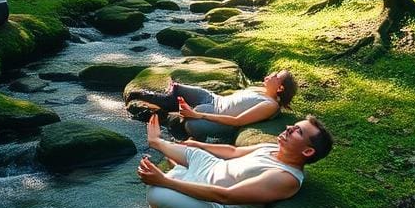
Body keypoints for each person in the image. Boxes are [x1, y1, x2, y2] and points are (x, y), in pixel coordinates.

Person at [137, 113, 333, 208]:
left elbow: (225, 196)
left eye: (297, 131)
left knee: (156, 194)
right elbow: (233, 152)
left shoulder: (285, 177)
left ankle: (178, 177)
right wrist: (200, 145)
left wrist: (164, 181)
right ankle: (156, 142)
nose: (289, 128)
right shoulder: (272, 147)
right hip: (213, 170)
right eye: (293, 125)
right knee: (195, 153)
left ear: (307, 152)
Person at [126, 70, 297, 140]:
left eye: (275, 75)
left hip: (215, 120)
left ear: (280, 88)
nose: (270, 75)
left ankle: (174, 118)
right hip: (212, 99)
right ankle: (145, 97)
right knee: (177, 90)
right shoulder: (262, 90)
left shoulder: (269, 105)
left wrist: (198, 115)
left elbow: (237, 121)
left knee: (189, 124)